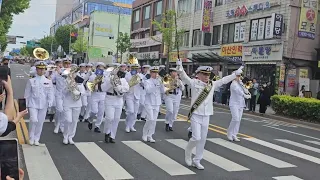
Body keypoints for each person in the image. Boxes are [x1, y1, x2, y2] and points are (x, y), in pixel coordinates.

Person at [176, 59, 243, 170]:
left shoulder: (212, 84)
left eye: (208, 74)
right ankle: (188, 152)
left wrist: (235, 74)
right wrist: (180, 66)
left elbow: (224, 80)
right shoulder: (194, 83)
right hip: (196, 114)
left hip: (206, 115)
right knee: (196, 137)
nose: (207, 76)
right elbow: (184, 77)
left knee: (202, 139)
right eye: (204, 74)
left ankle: (197, 160)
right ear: (199, 75)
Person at [24, 61, 54, 145]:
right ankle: (31, 137)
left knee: (40, 122)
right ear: (36, 69)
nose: (41, 71)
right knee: (34, 120)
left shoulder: (48, 81)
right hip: (33, 104)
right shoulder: (31, 81)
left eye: (43, 69)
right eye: (39, 69)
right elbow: (27, 94)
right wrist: (25, 105)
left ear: (45, 70)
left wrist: (50, 102)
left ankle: (37, 138)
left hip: (43, 104)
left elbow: (50, 93)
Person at [102, 67, 129, 143]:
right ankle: (107, 132)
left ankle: (112, 136)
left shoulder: (123, 80)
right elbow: (103, 88)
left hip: (119, 99)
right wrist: (111, 84)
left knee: (116, 119)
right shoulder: (108, 79)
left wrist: (120, 88)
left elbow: (127, 88)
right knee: (109, 118)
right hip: (110, 99)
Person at [62, 73, 87, 145]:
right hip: (67, 104)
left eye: (74, 75)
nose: (72, 76)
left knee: (74, 121)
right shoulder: (66, 82)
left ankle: (71, 137)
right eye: (71, 75)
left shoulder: (79, 83)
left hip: (77, 104)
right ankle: (65, 136)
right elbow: (63, 92)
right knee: (68, 120)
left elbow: (83, 93)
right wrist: (68, 88)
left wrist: (78, 93)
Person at [142, 66, 164, 143]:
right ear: (151, 73)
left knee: (154, 120)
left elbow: (163, 91)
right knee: (150, 119)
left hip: (157, 103)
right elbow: (148, 91)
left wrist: (162, 84)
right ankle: (144, 134)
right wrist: (156, 86)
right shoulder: (147, 81)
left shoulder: (160, 81)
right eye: (154, 72)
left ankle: (150, 135)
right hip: (149, 102)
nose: (155, 74)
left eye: (156, 72)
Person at [227, 74, 251, 142]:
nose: (239, 77)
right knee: (235, 119)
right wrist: (245, 96)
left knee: (239, 120)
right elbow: (239, 92)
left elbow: (245, 89)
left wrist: (247, 91)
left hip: (241, 104)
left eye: (239, 76)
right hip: (234, 104)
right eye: (237, 76)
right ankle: (229, 133)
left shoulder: (240, 83)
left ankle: (234, 134)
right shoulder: (233, 84)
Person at [124, 63, 143, 133]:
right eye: (134, 68)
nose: (135, 70)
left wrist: (141, 80)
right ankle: (127, 125)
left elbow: (143, 85)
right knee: (131, 111)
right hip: (129, 95)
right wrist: (134, 77)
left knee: (135, 112)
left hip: (137, 95)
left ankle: (132, 125)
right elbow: (128, 83)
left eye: (137, 68)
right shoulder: (127, 75)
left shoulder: (140, 76)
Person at [87, 62, 106, 133]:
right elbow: (88, 85)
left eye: (102, 67)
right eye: (99, 67)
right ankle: (90, 119)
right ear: (96, 68)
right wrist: (93, 86)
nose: (100, 69)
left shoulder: (105, 76)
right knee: (94, 111)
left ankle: (97, 126)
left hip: (103, 94)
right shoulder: (92, 76)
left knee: (101, 112)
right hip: (95, 95)